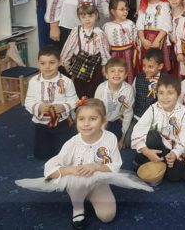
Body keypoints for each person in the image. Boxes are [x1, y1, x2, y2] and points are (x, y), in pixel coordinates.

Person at [16, 98, 152, 229]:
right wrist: (71, 170)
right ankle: (78, 208)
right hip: (77, 183)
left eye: (93, 119)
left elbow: (115, 166)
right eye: (81, 119)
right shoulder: (73, 143)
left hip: (99, 182)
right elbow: (50, 168)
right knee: (78, 181)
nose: (86, 124)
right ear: (76, 121)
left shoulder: (110, 138)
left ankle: (91, 194)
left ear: (103, 121)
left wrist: (96, 166)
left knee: (107, 216)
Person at [131, 75, 185, 182]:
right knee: (151, 136)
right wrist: (146, 152)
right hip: (154, 145)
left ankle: (156, 163)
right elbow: (139, 129)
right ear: (157, 93)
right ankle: (141, 160)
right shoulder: (153, 108)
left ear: (178, 94)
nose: (165, 97)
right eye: (161, 93)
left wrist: (175, 153)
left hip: (171, 149)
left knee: (175, 177)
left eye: (170, 93)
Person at [24, 45, 78, 160]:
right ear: (38, 64)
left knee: (64, 155)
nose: (47, 67)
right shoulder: (33, 81)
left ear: (60, 62)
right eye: (43, 63)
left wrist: (63, 107)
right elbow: (28, 101)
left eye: (52, 63)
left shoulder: (66, 81)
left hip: (62, 123)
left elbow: (74, 100)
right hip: (41, 123)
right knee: (41, 155)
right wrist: (38, 107)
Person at [61, 3, 111, 99]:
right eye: (83, 17)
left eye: (90, 16)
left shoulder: (99, 33)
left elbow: (104, 51)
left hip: (95, 66)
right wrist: (66, 63)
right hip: (79, 64)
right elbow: (68, 48)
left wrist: (105, 65)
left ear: (96, 15)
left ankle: (94, 105)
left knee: (95, 90)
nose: (87, 19)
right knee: (79, 90)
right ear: (79, 17)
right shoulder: (76, 31)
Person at [123, 48, 165, 148]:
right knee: (128, 143)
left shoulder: (165, 80)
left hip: (156, 119)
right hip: (138, 117)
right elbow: (133, 96)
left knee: (154, 142)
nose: (146, 69)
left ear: (160, 66)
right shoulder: (138, 78)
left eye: (150, 66)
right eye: (144, 66)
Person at [94, 58, 134, 149]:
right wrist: (100, 127)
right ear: (106, 74)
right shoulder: (101, 88)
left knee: (114, 146)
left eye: (121, 71)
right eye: (112, 71)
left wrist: (122, 138)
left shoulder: (128, 90)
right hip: (102, 121)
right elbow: (96, 111)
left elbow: (128, 114)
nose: (116, 74)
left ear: (125, 75)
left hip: (117, 122)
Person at [136, 0, 172, 72]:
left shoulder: (164, 5)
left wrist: (157, 41)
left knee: (158, 62)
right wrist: (143, 39)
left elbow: (167, 25)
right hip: (146, 39)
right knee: (147, 63)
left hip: (159, 39)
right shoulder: (143, 5)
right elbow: (139, 24)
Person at [103, 0, 139, 85]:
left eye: (126, 9)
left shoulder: (130, 23)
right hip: (115, 55)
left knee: (130, 74)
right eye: (122, 9)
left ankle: (130, 91)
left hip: (129, 55)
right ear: (113, 11)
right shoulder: (107, 26)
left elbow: (136, 39)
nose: (125, 12)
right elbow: (105, 45)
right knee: (117, 74)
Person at [168, 0, 184, 77]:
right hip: (171, 43)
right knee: (172, 64)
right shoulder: (168, 12)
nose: (173, 0)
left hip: (182, 44)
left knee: (181, 65)